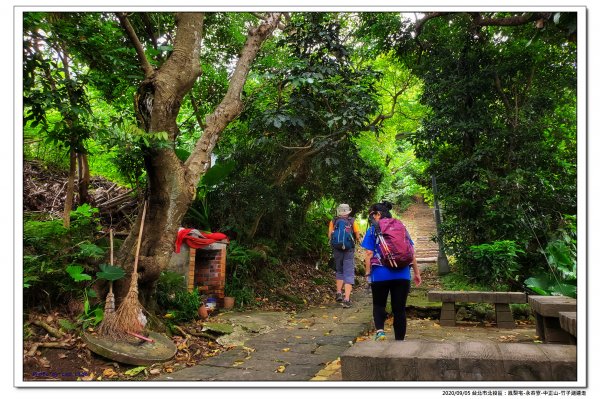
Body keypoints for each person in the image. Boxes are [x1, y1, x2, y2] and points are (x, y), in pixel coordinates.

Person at [361, 201, 422, 341]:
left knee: (379, 305)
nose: (371, 218)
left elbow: (369, 254)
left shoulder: (373, 229)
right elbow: (411, 253)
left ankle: (381, 332)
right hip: (402, 274)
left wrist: (368, 273)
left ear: (378, 214)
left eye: (372, 214)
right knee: (399, 310)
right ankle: (399, 342)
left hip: (380, 274)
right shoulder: (401, 227)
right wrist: (417, 274)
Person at [328, 203, 361, 308]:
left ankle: (338, 293)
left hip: (337, 249)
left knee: (339, 270)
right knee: (349, 272)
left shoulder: (333, 221)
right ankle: (346, 299)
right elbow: (357, 235)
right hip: (349, 250)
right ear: (348, 212)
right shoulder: (352, 221)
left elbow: (330, 236)